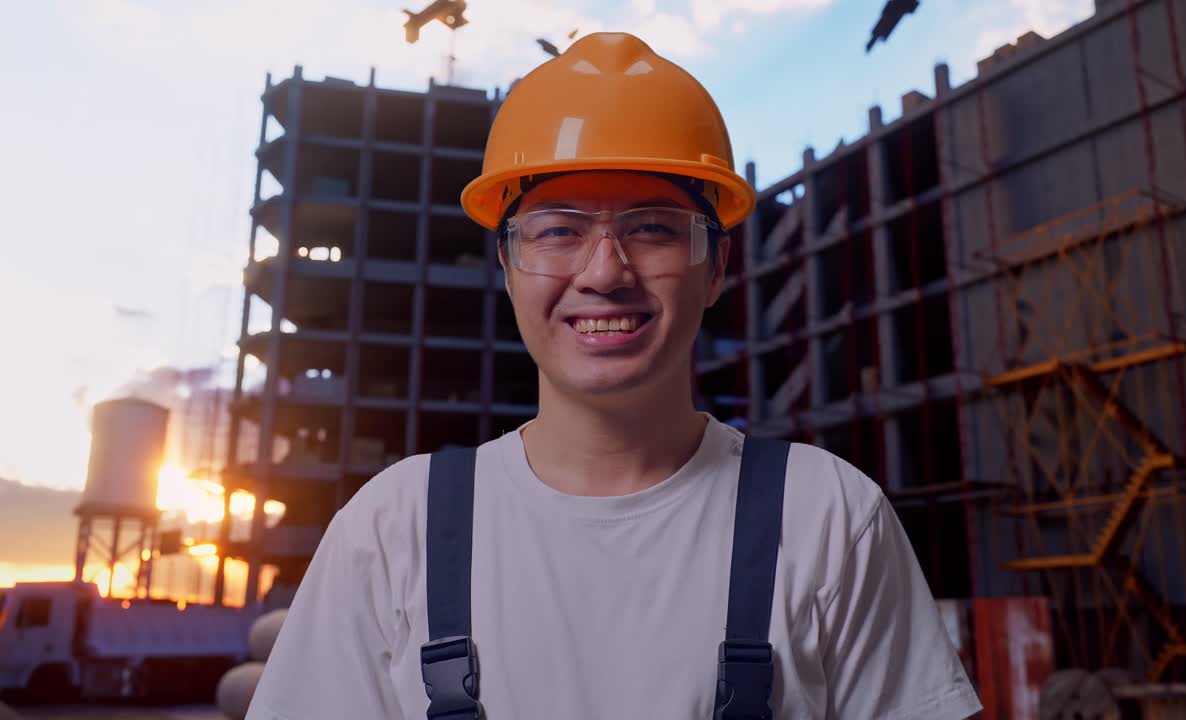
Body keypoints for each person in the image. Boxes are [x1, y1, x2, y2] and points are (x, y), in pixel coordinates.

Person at [248, 32, 981, 720]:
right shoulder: (392, 530)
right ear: (506, 265)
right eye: (559, 229)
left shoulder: (828, 519)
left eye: (653, 227)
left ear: (717, 265)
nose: (604, 273)